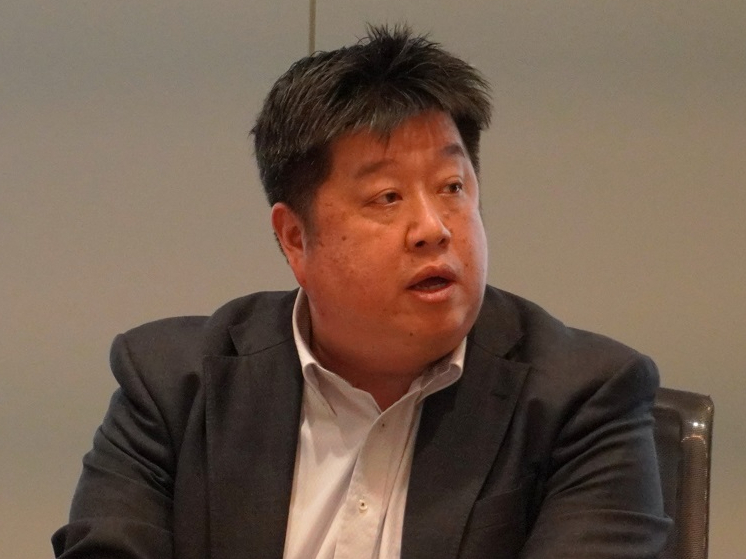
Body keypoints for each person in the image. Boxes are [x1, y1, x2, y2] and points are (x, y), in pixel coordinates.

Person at [53, 25, 670, 559]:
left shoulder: (583, 400)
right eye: (387, 197)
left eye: (452, 187)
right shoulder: (173, 388)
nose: (433, 228)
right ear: (295, 239)